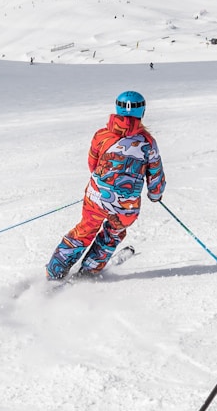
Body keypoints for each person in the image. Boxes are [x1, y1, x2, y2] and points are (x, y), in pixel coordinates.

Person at [46, 91, 165, 280]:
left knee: (86, 228)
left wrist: (103, 185)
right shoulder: (148, 143)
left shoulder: (102, 135)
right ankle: (90, 270)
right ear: (142, 112)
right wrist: (155, 194)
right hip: (126, 206)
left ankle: (56, 269)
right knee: (113, 233)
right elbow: (155, 173)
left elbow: (93, 164)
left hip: (96, 197)